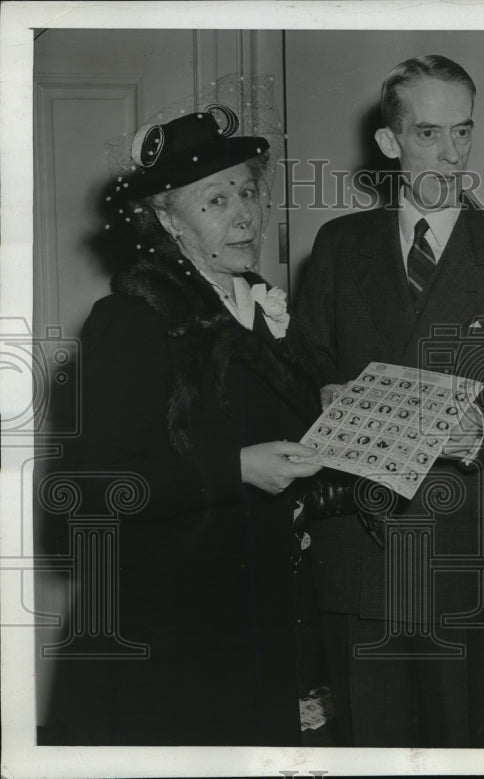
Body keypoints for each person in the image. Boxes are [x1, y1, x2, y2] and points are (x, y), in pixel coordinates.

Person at [296, 55, 484, 747]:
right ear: (390, 142)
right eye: (428, 134)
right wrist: (319, 394)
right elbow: (303, 363)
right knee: (366, 753)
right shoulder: (336, 246)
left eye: (463, 133)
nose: (451, 154)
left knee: (461, 750)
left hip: (465, 558)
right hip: (359, 558)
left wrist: (469, 429)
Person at [43, 108, 327, 745]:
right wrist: (236, 470)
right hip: (169, 630)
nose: (244, 214)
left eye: (248, 191)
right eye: (215, 199)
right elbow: (93, 488)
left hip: (255, 622)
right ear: (167, 220)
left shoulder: (259, 307)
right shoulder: (131, 320)